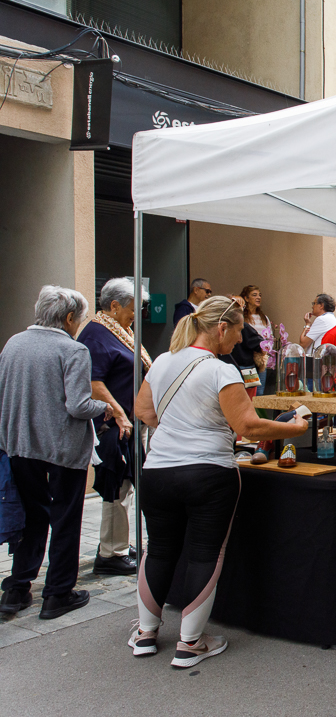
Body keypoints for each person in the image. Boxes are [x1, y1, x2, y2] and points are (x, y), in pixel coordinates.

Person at [131, 296, 308, 666]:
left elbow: (143, 411)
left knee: (158, 548)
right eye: (240, 330)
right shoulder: (221, 370)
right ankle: (190, 642)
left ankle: (145, 634)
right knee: (205, 552)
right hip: (209, 473)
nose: (241, 338)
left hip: (157, 472)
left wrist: (178, 432)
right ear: (221, 328)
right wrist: (294, 427)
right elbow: (246, 425)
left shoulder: (162, 361)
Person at [0, 286, 111, 620]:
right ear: (67, 318)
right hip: (62, 448)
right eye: (78, 318)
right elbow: (78, 406)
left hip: (20, 446)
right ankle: (57, 594)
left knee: (32, 517)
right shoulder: (72, 350)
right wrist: (104, 406)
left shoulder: (13, 344)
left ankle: (17, 589)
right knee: (65, 518)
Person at [77, 277, 150, 576]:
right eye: (133, 308)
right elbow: (94, 383)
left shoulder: (117, 331)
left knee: (124, 486)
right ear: (115, 305)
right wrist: (120, 414)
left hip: (127, 423)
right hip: (112, 425)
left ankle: (117, 543)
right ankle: (111, 553)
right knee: (116, 486)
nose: (136, 314)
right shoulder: (96, 335)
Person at [240, 285, 273, 395]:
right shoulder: (242, 317)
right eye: (254, 295)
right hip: (248, 360)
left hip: (261, 359)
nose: (258, 297)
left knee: (260, 392)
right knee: (250, 390)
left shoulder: (263, 317)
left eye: (259, 295)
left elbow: (270, 337)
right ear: (246, 298)